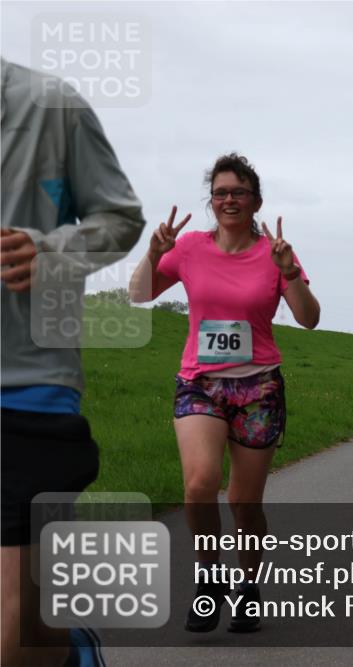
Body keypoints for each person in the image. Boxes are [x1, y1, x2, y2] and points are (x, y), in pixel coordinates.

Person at [129, 153, 320, 633]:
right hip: (200, 382)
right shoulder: (190, 247)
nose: (228, 199)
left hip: (258, 387)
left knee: (244, 503)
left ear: (256, 200)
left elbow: (309, 318)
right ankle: (209, 580)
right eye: (220, 192)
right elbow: (138, 294)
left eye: (238, 192)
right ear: (210, 200)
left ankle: (248, 587)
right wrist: (153, 252)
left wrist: (290, 272)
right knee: (198, 484)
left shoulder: (276, 252)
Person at [1, 58, 145, 665]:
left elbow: (120, 215)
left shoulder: (50, 104)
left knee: (11, 623)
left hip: (28, 382)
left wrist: (50, 248)